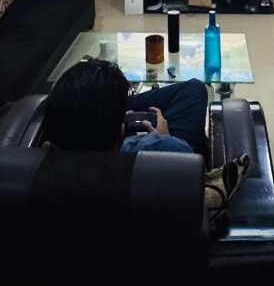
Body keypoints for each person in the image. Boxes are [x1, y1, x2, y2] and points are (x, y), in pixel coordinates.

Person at [42, 58, 249, 209]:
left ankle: (107, 105)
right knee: (194, 89)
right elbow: (189, 158)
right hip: (169, 161)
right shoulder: (157, 149)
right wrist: (161, 137)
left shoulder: (35, 174)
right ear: (121, 130)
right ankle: (116, 104)